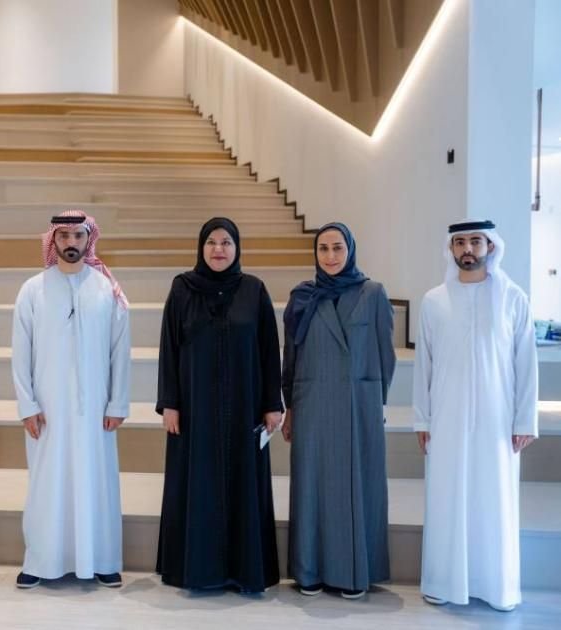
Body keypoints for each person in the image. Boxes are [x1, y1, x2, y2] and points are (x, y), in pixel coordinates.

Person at [413, 220, 538, 612]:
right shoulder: (434, 300)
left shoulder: (513, 298)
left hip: (497, 420)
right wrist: (422, 419)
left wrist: (524, 420)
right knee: (446, 498)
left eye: (475, 241)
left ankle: (497, 587)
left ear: (490, 246)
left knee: (494, 499)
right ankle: (442, 582)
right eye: (460, 242)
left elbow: (526, 363)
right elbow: (423, 365)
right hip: (446, 418)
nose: (468, 249)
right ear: (451, 249)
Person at [156, 217, 282, 592]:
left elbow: (268, 351)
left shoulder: (254, 290)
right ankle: (197, 571)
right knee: (196, 485)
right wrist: (169, 403)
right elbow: (169, 348)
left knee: (244, 484)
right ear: (201, 247)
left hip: (245, 408)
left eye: (226, 242)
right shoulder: (182, 289)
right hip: (194, 411)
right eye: (211, 242)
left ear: (237, 248)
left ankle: (243, 571)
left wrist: (272, 403)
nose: (218, 249)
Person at [11, 210, 131, 589]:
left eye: (78, 235)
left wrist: (117, 403)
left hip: (96, 409)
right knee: (47, 483)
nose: (71, 243)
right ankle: (41, 560)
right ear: (53, 240)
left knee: (97, 482)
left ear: (88, 239)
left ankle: (102, 559)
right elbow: (20, 354)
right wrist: (27, 405)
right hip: (48, 411)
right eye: (63, 236)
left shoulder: (107, 289)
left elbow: (120, 351)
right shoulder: (32, 290)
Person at [281, 222, 396, 599]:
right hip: (311, 402)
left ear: (350, 251)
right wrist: (289, 406)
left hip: (357, 405)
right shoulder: (302, 297)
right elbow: (291, 358)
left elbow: (386, 355)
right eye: (323, 249)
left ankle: (353, 573)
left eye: (337, 248)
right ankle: (309, 570)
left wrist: (376, 402)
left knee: (356, 486)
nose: (330, 256)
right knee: (311, 486)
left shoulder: (373, 293)